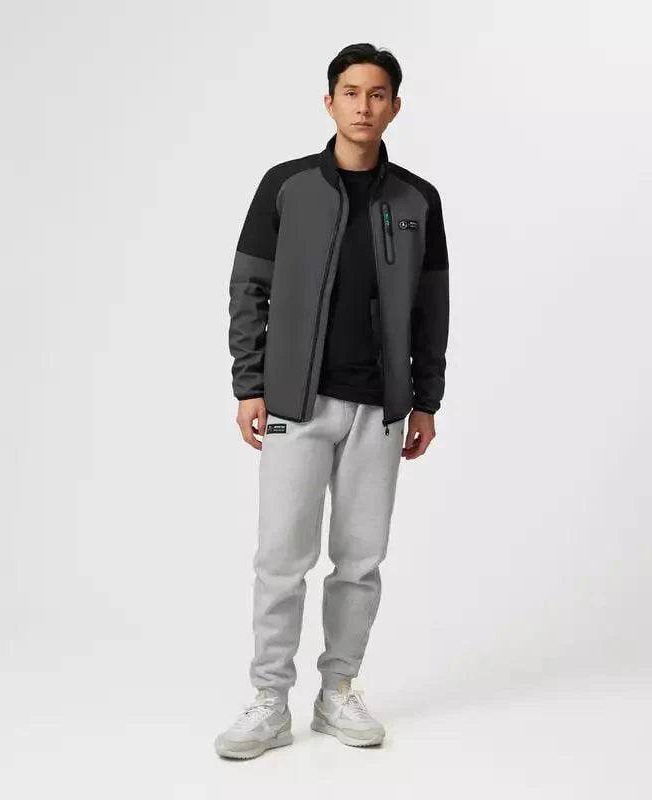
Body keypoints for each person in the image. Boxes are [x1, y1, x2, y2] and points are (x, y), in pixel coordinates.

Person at [215, 42, 450, 759]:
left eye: (377, 94)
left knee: (359, 562)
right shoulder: (285, 187)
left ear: (395, 107)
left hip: (381, 409)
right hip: (297, 402)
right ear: (329, 102)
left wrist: (427, 399)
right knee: (280, 560)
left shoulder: (416, 199)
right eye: (351, 92)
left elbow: (433, 308)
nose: (363, 106)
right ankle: (268, 699)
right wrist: (250, 384)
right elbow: (248, 287)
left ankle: (338, 690)